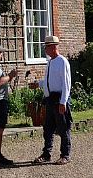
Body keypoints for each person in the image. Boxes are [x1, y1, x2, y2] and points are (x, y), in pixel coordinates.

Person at [30, 35, 73, 165]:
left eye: (47, 47)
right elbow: (50, 82)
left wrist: (63, 102)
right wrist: (39, 84)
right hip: (50, 99)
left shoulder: (62, 61)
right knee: (48, 128)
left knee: (63, 128)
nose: (45, 50)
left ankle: (65, 155)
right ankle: (46, 154)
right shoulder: (50, 62)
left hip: (59, 98)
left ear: (54, 47)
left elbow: (66, 83)